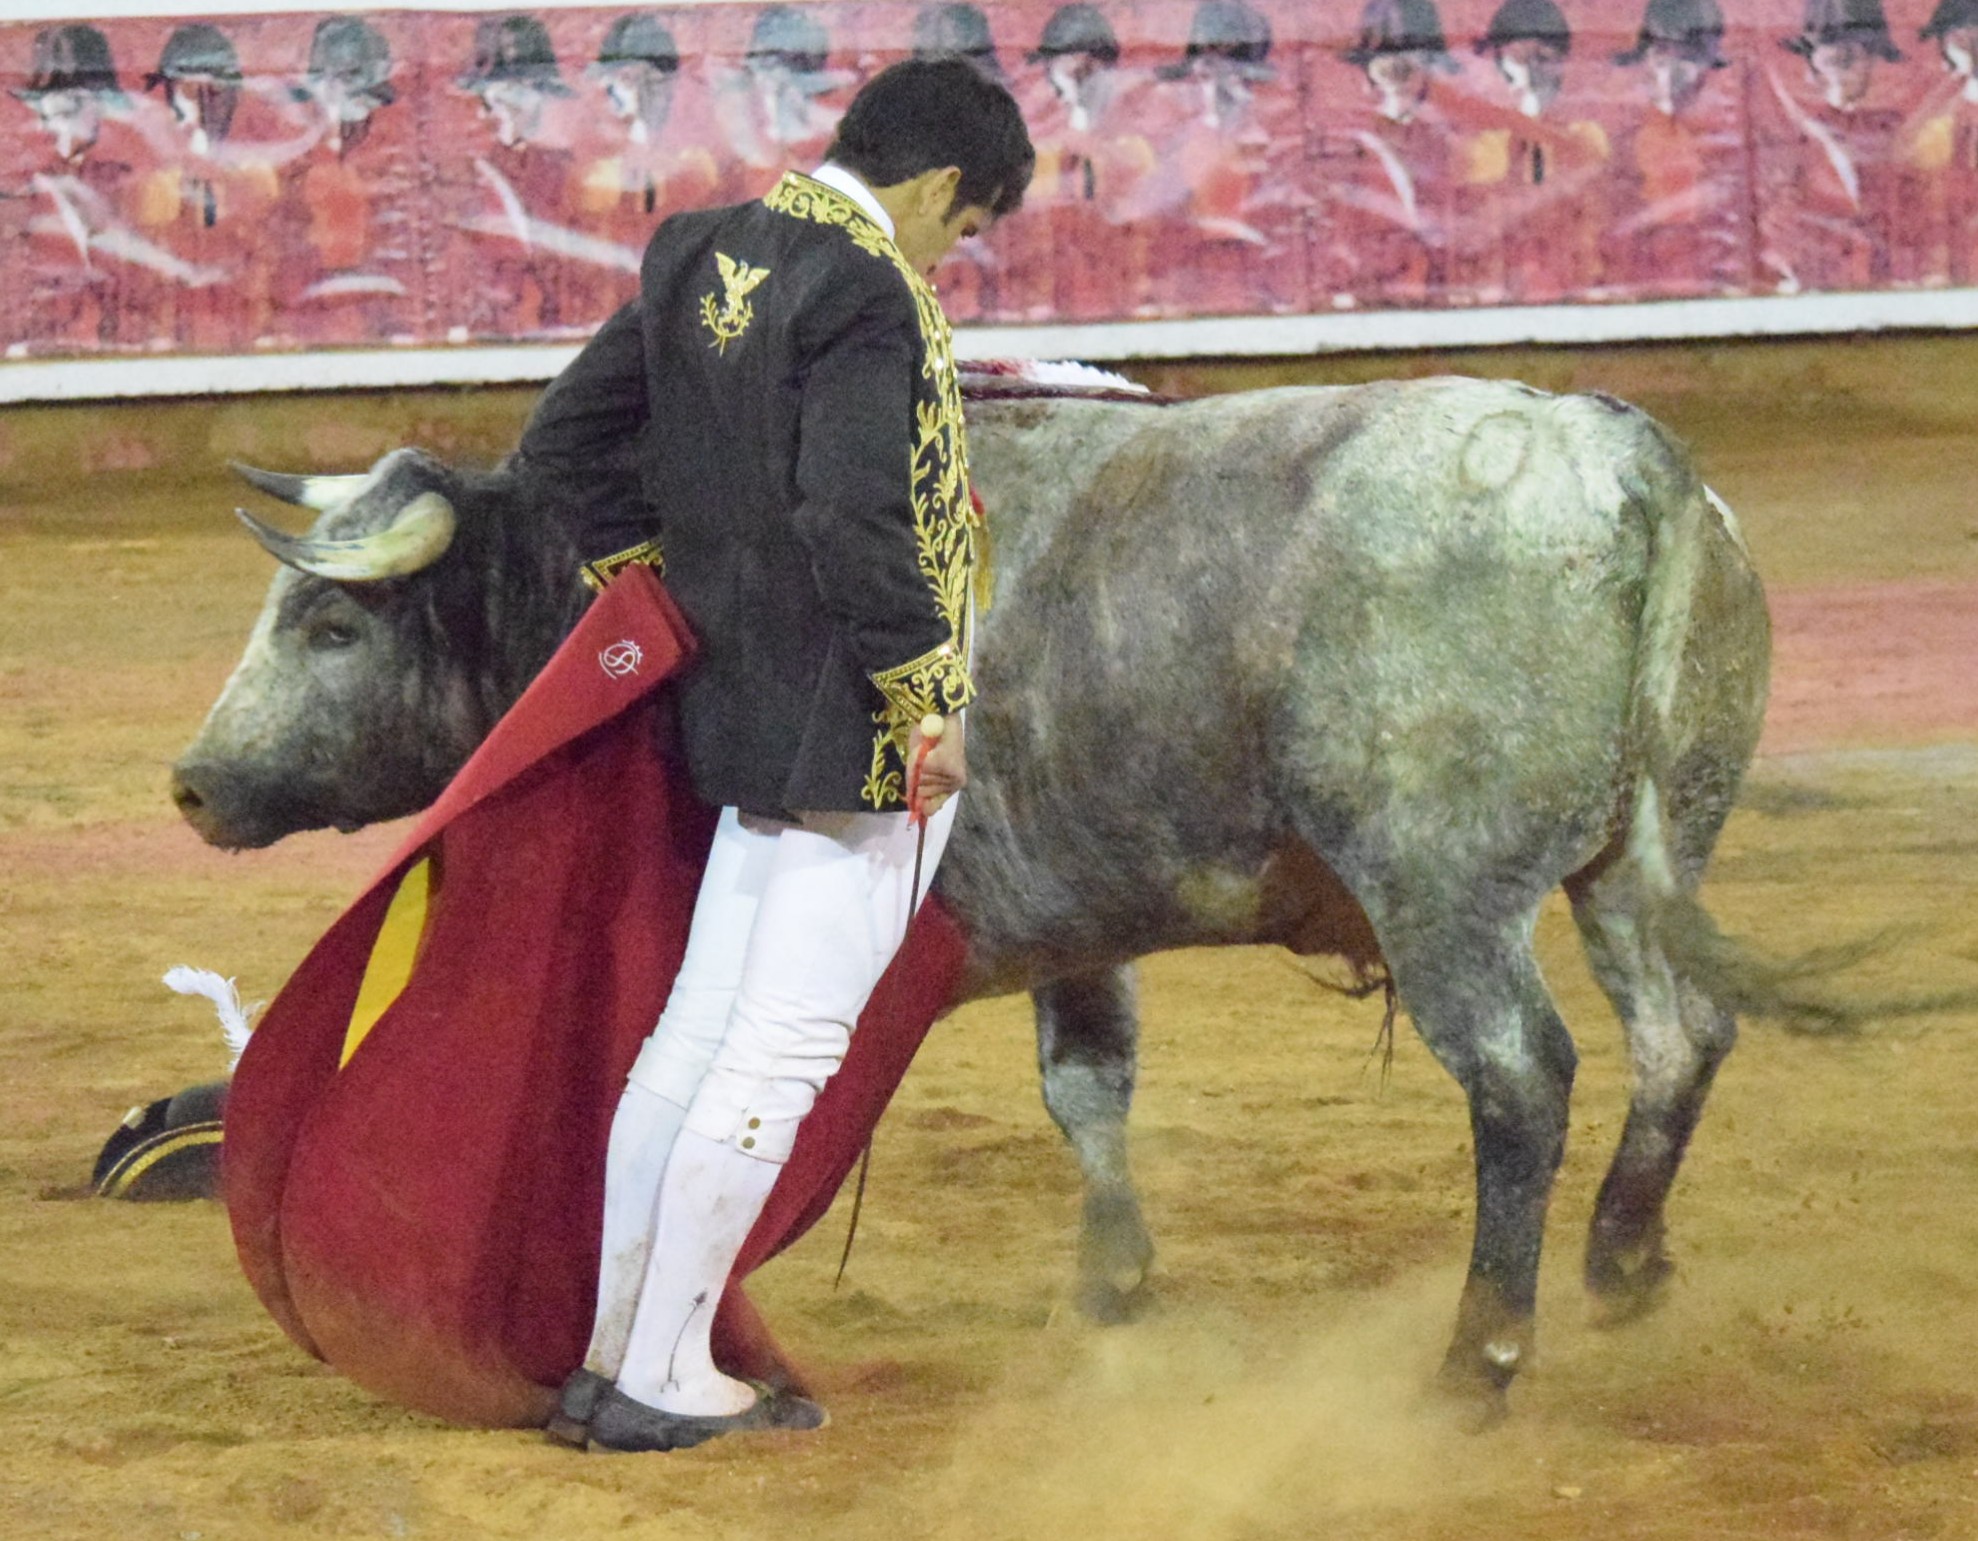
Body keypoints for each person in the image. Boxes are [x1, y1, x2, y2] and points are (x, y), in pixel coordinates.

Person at [512, 55, 1033, 1453]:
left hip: (730, 693)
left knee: (698, 1030)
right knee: (779, 1045)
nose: (954, 252)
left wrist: (669, 591)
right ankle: (663, 1379)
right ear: (939, 183)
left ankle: (616, 1354)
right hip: (853, 717)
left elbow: (562, 449)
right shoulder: (870, 287)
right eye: (965, 224)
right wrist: (925, 698)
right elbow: (856, 512)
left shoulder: (695, 248)